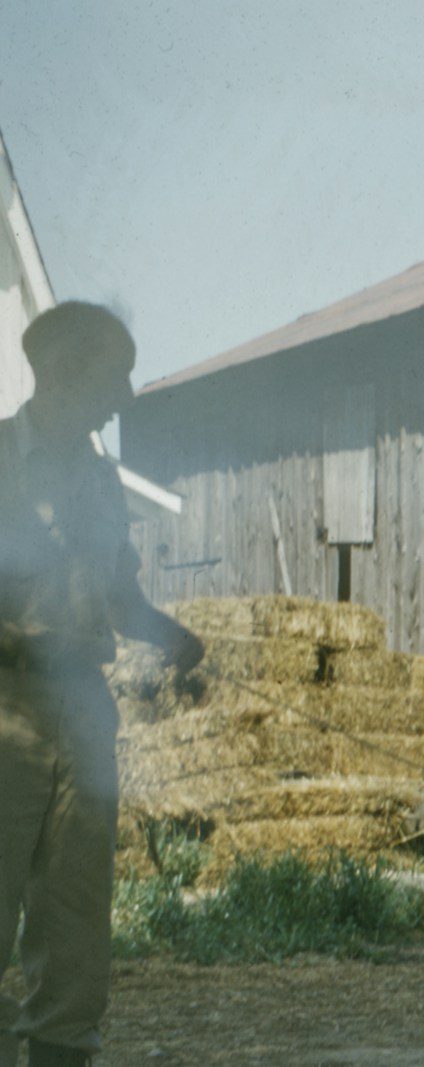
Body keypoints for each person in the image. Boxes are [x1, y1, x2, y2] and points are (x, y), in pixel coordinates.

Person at [0, 302, 203, 1067]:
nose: (124, 394)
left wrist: (172, 636)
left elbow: (121, 602)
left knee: (76, 925)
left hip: (85, 713)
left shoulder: (102, 481)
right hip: (4, 709)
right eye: (111, 374)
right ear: (61, 372)